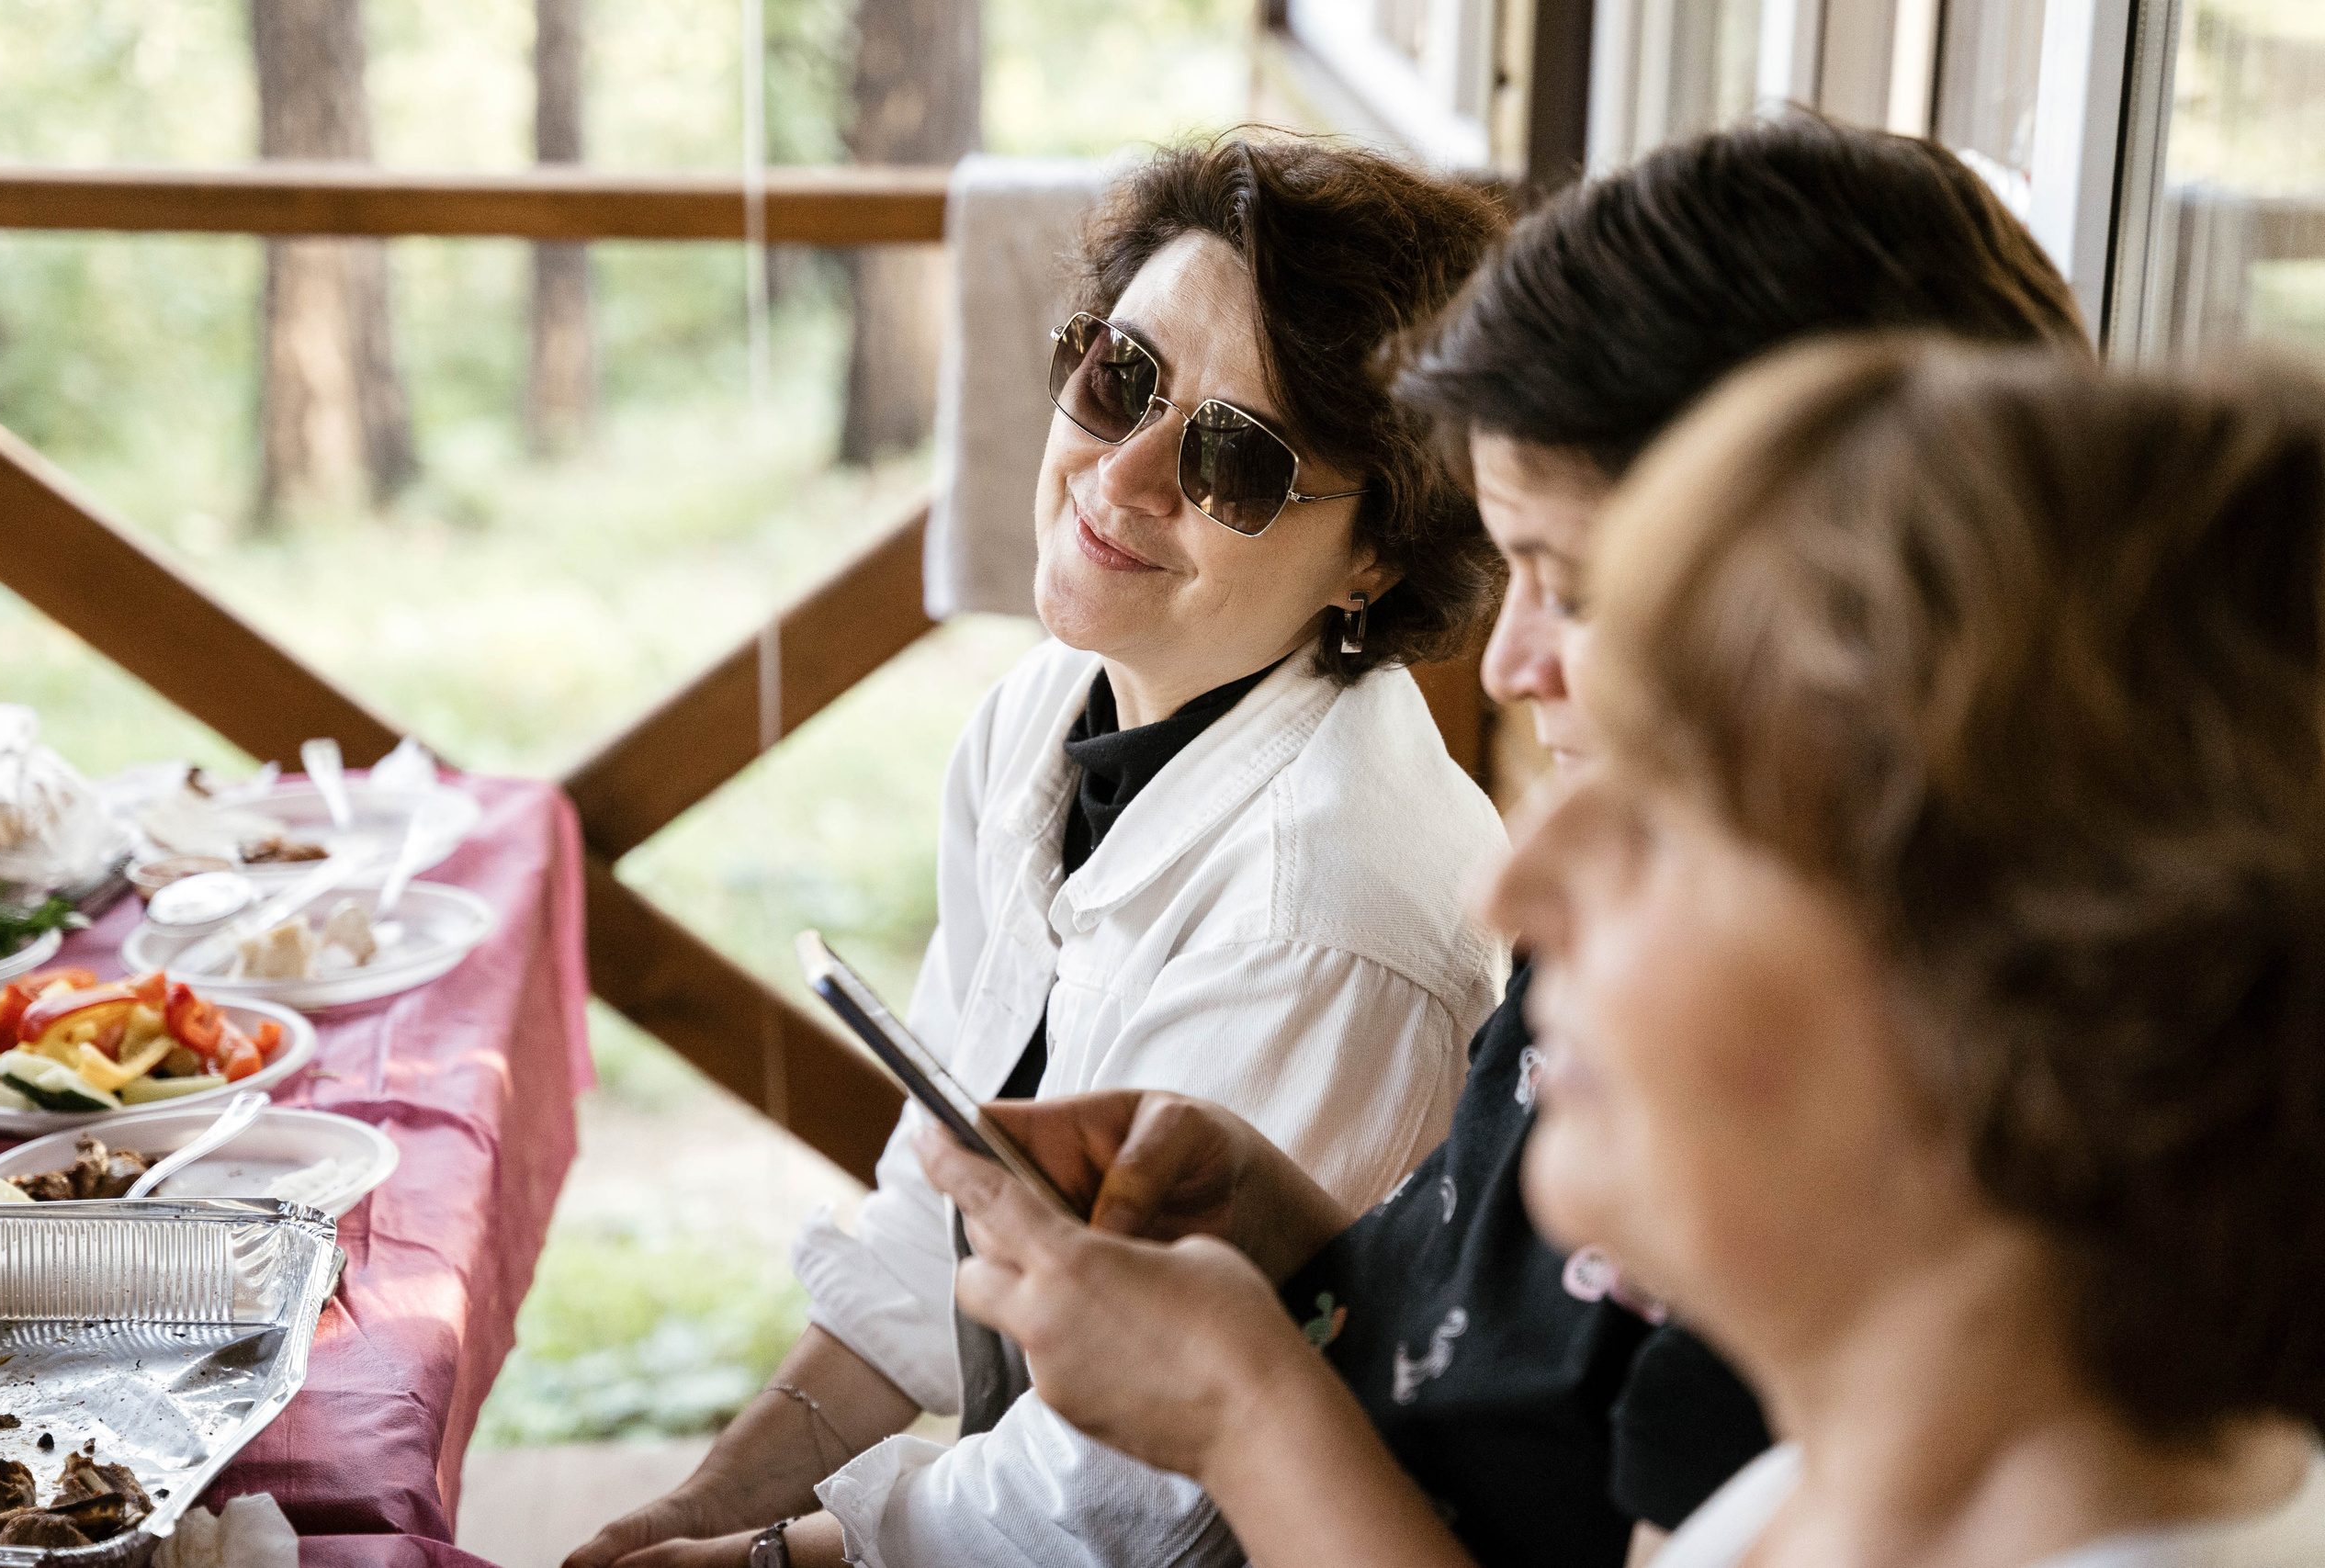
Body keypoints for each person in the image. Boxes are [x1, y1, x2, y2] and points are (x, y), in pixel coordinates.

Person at [921, 339, 2325, 1568]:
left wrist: (1242, 1406)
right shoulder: (1795, 1498)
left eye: (1675, 810)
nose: (1512, 886)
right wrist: (1284, 1254)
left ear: (2047, 973)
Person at [566, 136, 1513, 1568]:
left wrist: (769, 1560)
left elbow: (1112, 1499)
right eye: (1120, 377)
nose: (1119, 476)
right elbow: (930, 1200)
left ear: (1378, 553)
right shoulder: (1044, 720)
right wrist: (716, 1498)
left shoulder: (1329, 913)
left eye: (1233, 461)